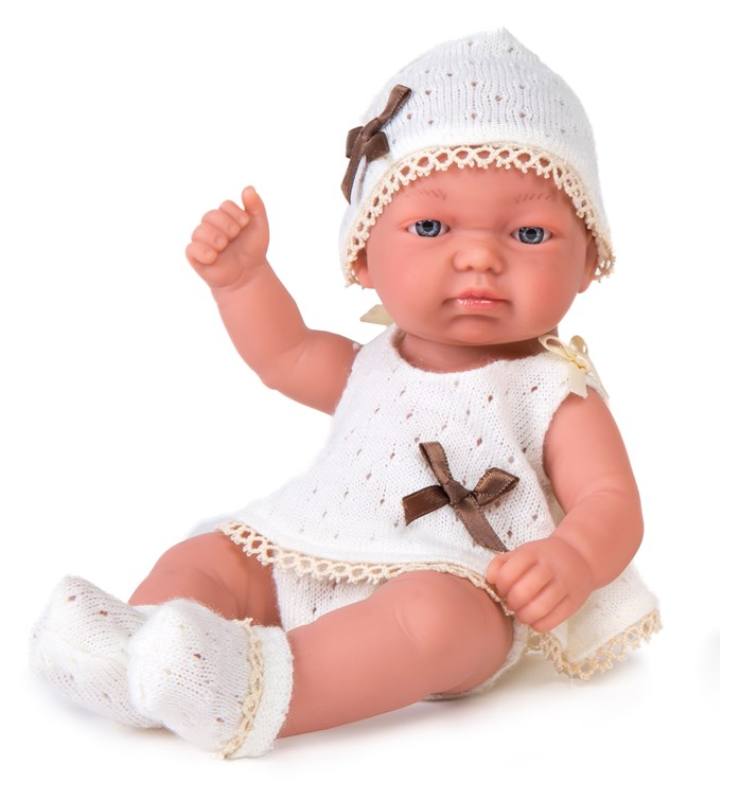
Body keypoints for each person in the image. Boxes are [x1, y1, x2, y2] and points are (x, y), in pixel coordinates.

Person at [29, 27, 662, 759]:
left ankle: (252, 688)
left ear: (589, 260)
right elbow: (285, 354)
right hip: (313, 546)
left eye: (528, 234)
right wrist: (243, 281)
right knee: (212, 556)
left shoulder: (553, 389)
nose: (479, 257)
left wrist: (572, 558)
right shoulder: (374, 365)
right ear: (362, 254)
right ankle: (139, 648)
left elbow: (609, 500)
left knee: (435, 622)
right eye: (431, 225)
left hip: (461, 579)